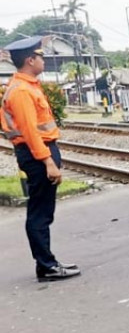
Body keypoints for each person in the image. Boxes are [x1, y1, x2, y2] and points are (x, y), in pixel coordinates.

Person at [2, 37, 79, 283]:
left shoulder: (27, 86)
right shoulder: (22, 91)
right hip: (36, 154)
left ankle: (47, 263)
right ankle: (46, 266)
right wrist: (48, 162)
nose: (43, 60)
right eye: (40, 56)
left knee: (43, 210)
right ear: (30, 60)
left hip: (39, 151)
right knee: (40, 213)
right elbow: (30, 132)